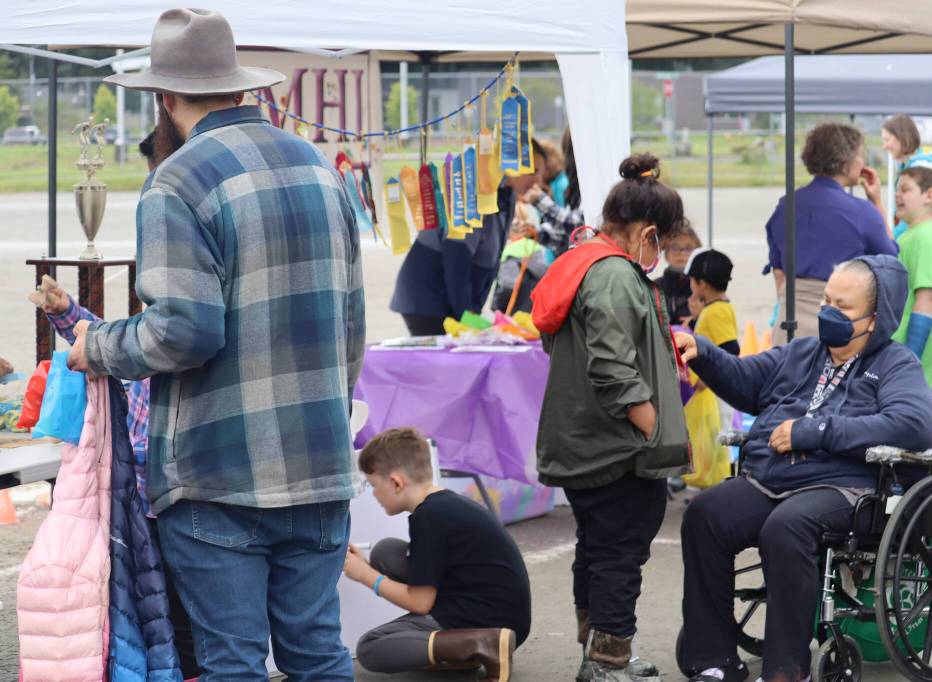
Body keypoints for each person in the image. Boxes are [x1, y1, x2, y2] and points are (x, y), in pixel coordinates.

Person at [68, 9, 365, 680]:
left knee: (231, 662)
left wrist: (99, 345)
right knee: (318, 654)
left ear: (163, 98)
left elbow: (183, 332)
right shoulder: (320, 169)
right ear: (240, 88)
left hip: (219, 478)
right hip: (319, 465)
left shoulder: (176, 181)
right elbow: (351, 331)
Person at [674, 255, 932, 682]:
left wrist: (817, 430)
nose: (828, 312)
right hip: (773, 479)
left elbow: (917, 423)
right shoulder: (802, 353)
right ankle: (714, 660)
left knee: (787, 528)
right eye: (827, 300)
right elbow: (746, 381)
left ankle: (786, 668)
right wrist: (702, 352)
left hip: (847, 488)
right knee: (706, 514)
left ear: (874, 320)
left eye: (844, 307)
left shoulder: (895, 364)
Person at [30, 130, 201, 679]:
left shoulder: (191, 324)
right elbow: (107, 342)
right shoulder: (150, 329)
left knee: (187, 607)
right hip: (142, 499)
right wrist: (65, 313)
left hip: (184, 495)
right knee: (159, 606)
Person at [531, 153, 691, 682]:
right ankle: (607, 661)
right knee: (620, 553)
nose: (662, 254)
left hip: (582, 439)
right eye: (662, 243)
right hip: (615, 446)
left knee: (597, 547)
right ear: (646, 233)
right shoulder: (616, 275)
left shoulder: (580, 259)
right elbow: (612, 363)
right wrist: (649, 425)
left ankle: (598, 651)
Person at [342, 428, 530, 680]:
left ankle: (483, 643)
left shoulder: (428, 519)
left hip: (488, 619)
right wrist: (368, 567)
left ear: (396, 482)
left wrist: (365, 576)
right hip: (502, 612)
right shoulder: (443, 506)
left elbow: (420, 602)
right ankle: (465, 652)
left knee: (370, 647)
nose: (374, 494)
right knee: (386, 552)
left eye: (373, 485)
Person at [390, 140, 545, 335]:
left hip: (456, 295)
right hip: (428, 297)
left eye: (541, 173)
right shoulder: (475, 191)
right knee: (446, 362)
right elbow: (456, 260)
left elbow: (490, 254)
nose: (538, 181)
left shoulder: (507, 195)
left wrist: (471, 313)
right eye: (532, 171)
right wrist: (465, 316)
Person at [765, 122, 896, 345]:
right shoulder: (862, 212)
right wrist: (876, 202)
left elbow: (779, 273)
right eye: (859, 155)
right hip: (837, 327)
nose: (862, 161)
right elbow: (891, 260)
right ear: (846, 161)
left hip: (789, 324)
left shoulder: (784, 206)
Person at [682, 249, 738, 489]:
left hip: (716, 390)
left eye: (692, 281)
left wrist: (709, 376)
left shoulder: (716, 312)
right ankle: (713, 483)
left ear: (702, 284)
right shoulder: (717, 308)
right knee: (712, 438)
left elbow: (730, 348)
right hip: (712, 389)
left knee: (717, 439)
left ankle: (720, 486)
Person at [891, 166, 932, 389]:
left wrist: (910, 358)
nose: (897, 195)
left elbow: (926, 299)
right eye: (896, 190)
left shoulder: (926, 239)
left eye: (905, 189)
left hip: (914, 349)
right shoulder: (910, 234)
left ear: (929, 196)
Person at [882, 114, 932, 240]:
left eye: (887, 140)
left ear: (901, 138)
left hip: (920, 239)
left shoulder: (922, 167)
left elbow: (916, 212)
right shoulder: (913, 163)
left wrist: (891, 240)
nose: (884, 146)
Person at [522, 128, 584, 258]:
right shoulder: (569, 184)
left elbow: (576, 227)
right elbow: (567, 237)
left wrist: (540, 200)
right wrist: (537, 233)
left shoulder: (563, 185)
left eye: (537, 170)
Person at [655, 224, 702, 327]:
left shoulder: (704, 286)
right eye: (675, 248)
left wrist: (699, 318)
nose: (681, 253)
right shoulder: (656, 286)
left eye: (688, 248)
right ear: (665, 253)